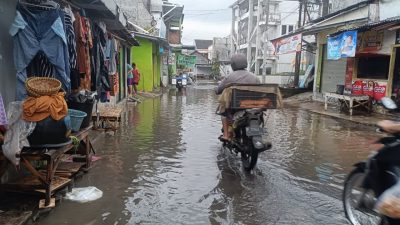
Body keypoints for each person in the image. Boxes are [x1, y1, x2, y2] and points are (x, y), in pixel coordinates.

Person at [215, 53, 260, 141]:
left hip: (235, 107)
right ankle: (255, 133)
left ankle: (226, 135)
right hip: (253, 107)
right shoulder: (254, 77)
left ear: (233, 65)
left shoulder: (230, 77)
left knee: (222, 109)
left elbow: (218, 90)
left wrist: (217, 89)